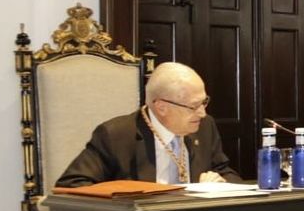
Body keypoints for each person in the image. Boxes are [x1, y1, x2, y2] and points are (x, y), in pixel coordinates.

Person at [55, 62, 241, 187]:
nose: (202, 113)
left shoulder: (205, 126)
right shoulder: (116, 135)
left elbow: (223, 170)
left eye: (204, 102)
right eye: (193, 106)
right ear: (161, 107)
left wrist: (220, 184)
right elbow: (72, 184)